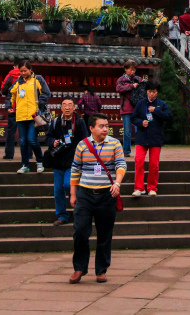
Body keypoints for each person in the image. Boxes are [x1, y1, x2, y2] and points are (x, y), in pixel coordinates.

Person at [69, 113, 126, 284]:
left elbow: (121, 165)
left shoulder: (115, 143)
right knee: (80, 231)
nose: (105, 129)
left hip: (106, 195)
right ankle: (79, 268)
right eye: (101, 126)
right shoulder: (82, 145)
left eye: (107, 126)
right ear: (91, 128)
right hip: (85, 194)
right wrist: (73, 193)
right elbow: (75, 169)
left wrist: (117, 183)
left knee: (104, 234)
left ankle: (101, 270)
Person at [46, 97, 90, 225]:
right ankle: (62, 215)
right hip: (58, 161)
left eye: (70, 105)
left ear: (74, 107)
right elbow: (47, 137)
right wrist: (52, 142)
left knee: (67, 185)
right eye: (64, 105)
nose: (67, 107)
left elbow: (85, 140)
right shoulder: (55, 122)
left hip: (73, 162)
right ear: (60, 108)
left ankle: (78, 211)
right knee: (58, 190)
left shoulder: (79, 122)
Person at [130, 81, 172, 197]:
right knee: (139, 162)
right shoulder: (140, 104)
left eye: (153, 92)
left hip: (155, 138)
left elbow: (169, 117)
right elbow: (133, 118)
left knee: (154, 165)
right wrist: (140, 122)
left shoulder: (162, 104)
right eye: (149, 91)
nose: (151, 94)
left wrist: (156, 111)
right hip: (141, 137)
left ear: (157, 92)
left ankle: (152, 188)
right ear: (146, 92)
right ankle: (139, 188)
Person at [10, 60, 50, 174]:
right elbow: (10, 94)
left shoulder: (38, 79)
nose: (23, 73)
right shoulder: (18, 82)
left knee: (31, 139)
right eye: (21, 71)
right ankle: (25, 164)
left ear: (30, 69)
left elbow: (46, 93)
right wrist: (9, 105)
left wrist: (39, 105)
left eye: (25, 71)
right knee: (23, 142)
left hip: (34, 116)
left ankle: (40, 161)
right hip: (21, 116)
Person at [115, 60, 143, 156]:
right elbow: (118, 89)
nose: (132, 72)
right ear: (125, 69)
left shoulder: (138, 79)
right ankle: (126, 151)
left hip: (136, 109)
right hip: (126, 109)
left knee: (139, 130)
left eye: (134, 70)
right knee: (127, 132)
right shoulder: (121, 80)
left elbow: (144, 88)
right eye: (131, 70)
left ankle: (140, 150)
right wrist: (131, 86)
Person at [0, 62, 20, 160]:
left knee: (11, 131)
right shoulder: (30, 76)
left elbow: (3, 89)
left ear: (14, 66)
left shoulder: (11, 75)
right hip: (27, 110)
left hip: (13, 107)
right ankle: (28, 154)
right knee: (27, 131)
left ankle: (9, 154)